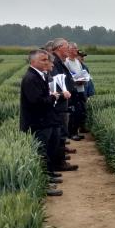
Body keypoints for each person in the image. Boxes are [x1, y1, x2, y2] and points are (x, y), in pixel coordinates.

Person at [20, 49, 63, 196]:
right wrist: (53, 98)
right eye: (43, 60)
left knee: (46, 152)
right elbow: (36, 102)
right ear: (33, 62)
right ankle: (45, 186)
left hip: (43, 121)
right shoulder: (31, 78)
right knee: (41, 154)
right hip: (37, 123)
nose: (47, 62)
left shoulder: (37, 76)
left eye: (47, 59)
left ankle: (47, 179)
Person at [50, 38, 79, 171]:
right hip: (59, 104)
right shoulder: (55, 62)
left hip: (61, 103)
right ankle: (59, 163)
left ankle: (59, 160)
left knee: (61, 134)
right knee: (60, 134)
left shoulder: (58, 62)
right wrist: (64, 93)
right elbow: (55, 83)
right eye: (67, 47)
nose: (69, 49)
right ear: (60, 48)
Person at [64, 42, 87, 140]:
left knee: (80, 111)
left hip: (81, 89)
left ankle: (76, 131)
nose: (76, 50)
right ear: (68, 50)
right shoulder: (67, 62)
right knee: (74, 112)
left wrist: (85, 79)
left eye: (76, 48)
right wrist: (76, 81)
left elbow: (82, 73)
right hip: (73, 90)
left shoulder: (77, 62)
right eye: (74, 48)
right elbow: (68, 77)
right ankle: (72, 133)